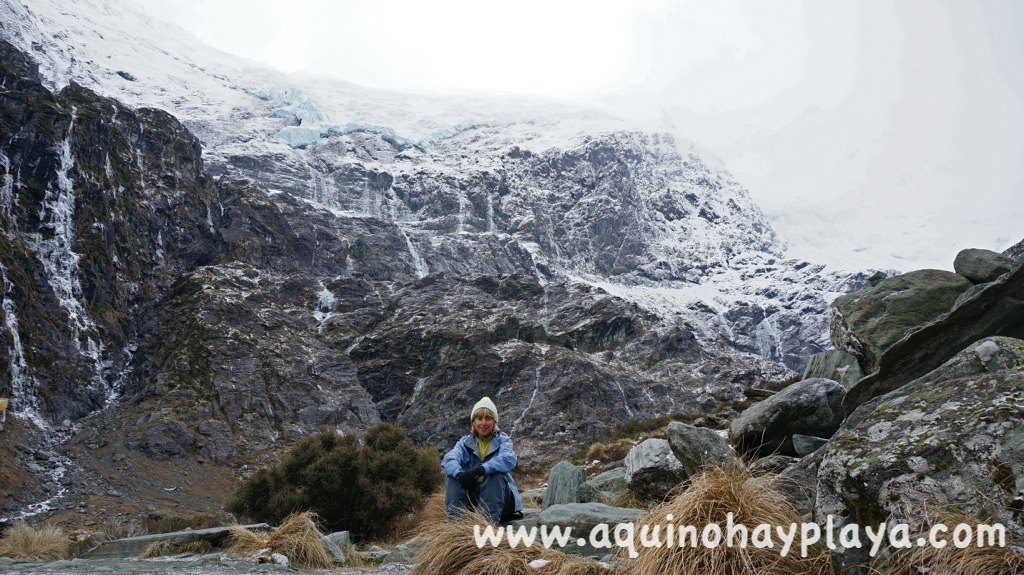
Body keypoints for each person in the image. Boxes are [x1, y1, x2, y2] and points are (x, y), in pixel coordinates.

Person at [441, 396, 523, 524]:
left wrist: (480, 470)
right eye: (479, 418)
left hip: (500, 500)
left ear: (494, 422)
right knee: (453, 478)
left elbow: (508, 459)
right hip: (474, 498)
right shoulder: (465, 442)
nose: (483, 423)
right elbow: (450, 458)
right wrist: (460, 474)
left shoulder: (503, 440)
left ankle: (486, 526)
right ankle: (457, 526)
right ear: (473, 422)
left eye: (488, 418)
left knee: (494, 476)